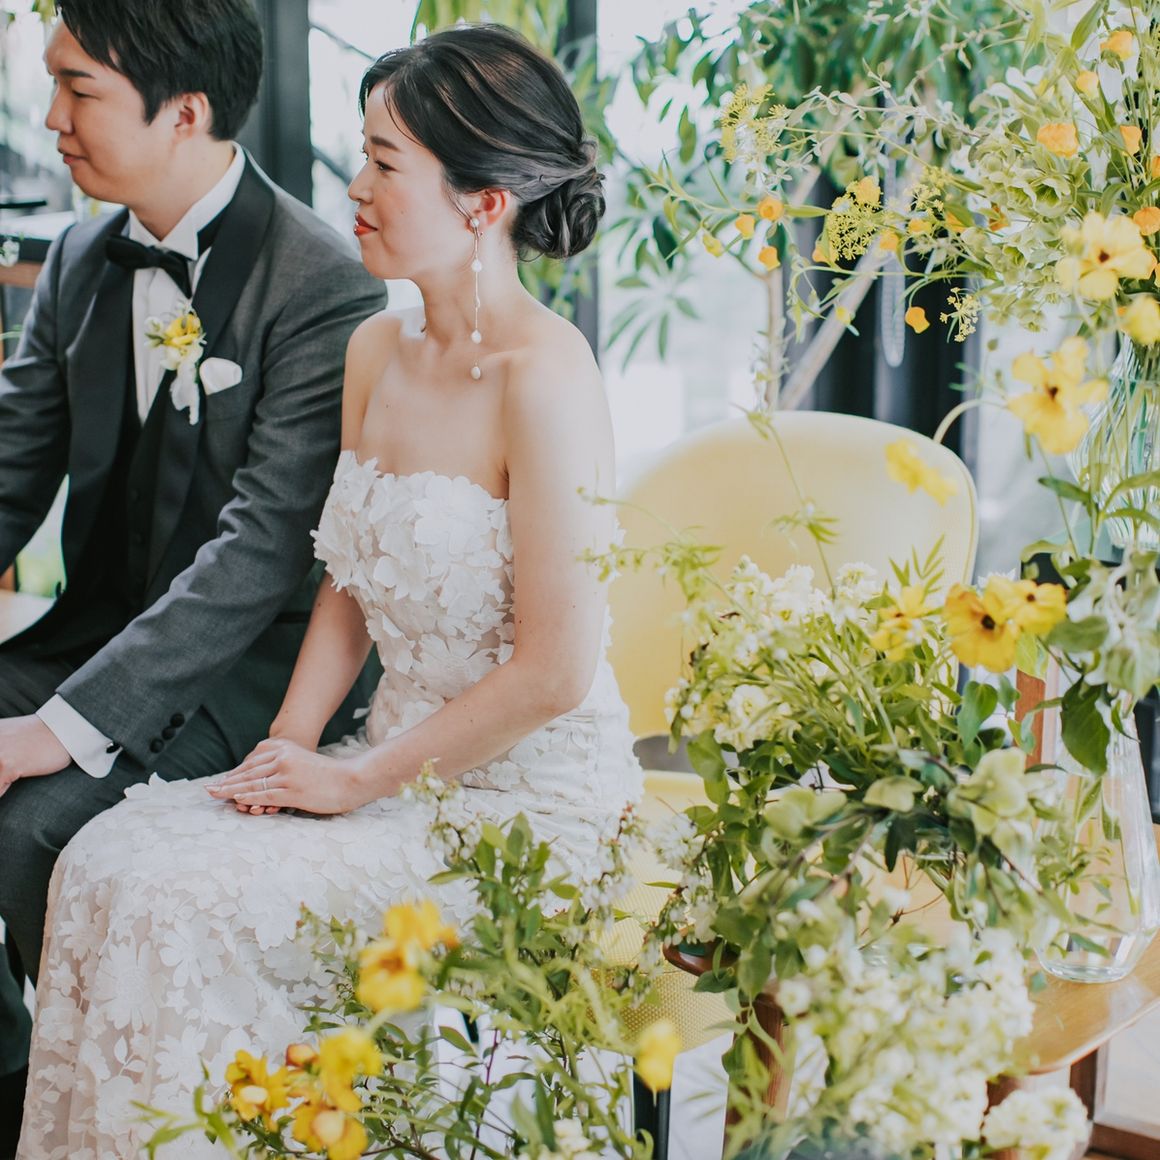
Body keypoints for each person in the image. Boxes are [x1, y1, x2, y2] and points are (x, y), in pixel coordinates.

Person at [18, 22, 643, 1159]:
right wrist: (287, 748)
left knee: (166, 898)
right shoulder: (377, 349)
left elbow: (555, 671)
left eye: (384, 163)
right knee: (110, 861)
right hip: (378, 756)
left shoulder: (548, 378)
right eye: (361, 155)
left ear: (483, 203)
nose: (353, 187)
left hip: (521, 807)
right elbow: (345, 589)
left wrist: (354, 777)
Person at [0, 0, 384, 1151]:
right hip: (99, 631)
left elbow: (259, 552)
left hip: (245, 664)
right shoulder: (81, 256)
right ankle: (17, 1080)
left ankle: (111, 1115)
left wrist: (56, 730)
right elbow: (11, 469)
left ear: (184, 112)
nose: (51, 118)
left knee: (34, 825)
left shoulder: (320, 284)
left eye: (79, 89)